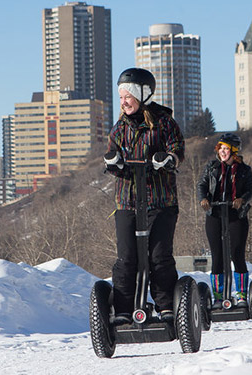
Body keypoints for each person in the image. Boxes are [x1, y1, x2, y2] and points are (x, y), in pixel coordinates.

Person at [104, 67, 185, 324]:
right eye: (121, 97)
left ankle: (165, 307)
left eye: (128, 95)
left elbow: (177, 150)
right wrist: (113, 162)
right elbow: (111, 154)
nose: (124, 101)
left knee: (158, 258)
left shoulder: (164, 123)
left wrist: (168, 159)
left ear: (143, 94)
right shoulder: (118, 130)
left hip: (160, 202)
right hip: (127, 203)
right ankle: (124, 311)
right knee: (127, 259)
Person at [196, 133, 252, 308]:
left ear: (234, 151)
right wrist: (204, 199)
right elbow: (202, 185)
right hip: (214, 213)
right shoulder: (211, 167)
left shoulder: (244, 170)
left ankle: (242, 294)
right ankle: (219, 297)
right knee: (217, 256)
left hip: (236, 215)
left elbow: (250, 191)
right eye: (220, 148)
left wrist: (241, 199)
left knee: (237, 253)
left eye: (226, 148)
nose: (222, 152)